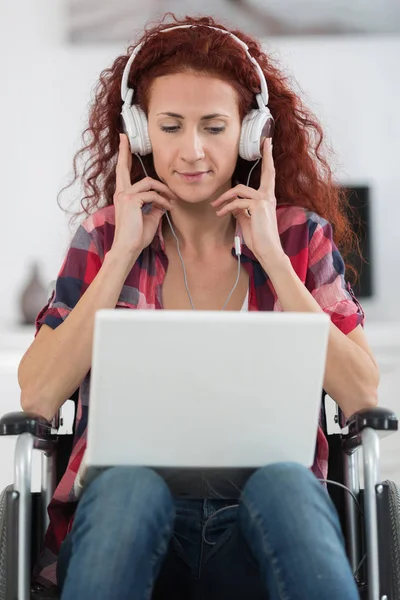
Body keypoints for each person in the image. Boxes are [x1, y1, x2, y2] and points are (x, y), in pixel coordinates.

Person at [18, 13, 380, 600]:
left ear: (249, 133)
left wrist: (272, 256)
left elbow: (363, 393)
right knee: (128, 483)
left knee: (288, 484)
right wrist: (123, 254)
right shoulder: (106, 237)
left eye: (214, 126)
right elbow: (36, 395)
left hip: (260, 526)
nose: (192, 150)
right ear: (139, 133)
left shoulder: (298, 239)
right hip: (130, 522)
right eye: (170, 126)